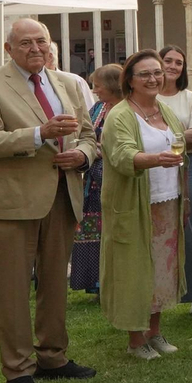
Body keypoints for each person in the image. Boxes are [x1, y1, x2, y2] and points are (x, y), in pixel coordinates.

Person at [0, 19, 100, 383]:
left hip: (62, 195)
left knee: (55, 283)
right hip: (11, 203)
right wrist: (41, 134)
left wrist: (82, 156)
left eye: (42, 41)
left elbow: (89, 134)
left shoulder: (64, 82)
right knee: (12, 290)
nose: (36, 49)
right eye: (26, 43)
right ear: (9, 49)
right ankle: (18, 371)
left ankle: (53, 357)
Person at [100, 50, 187, 360]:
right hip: (134, 205)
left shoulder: (165, 110)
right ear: (130, 80)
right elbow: (122, 156)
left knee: (163, 270)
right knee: (134, 271)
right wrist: (155, 160)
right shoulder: (120, 115)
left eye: (157, 73)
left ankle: (155, 332)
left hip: (167, 203)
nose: (153, 78)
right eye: (145, 74)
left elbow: (179, 147)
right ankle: (136, 340)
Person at [157, 45, 192, 317]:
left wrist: (162, 140)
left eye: (179, 62)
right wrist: (178, 138)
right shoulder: (148, 97)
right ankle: (158, 295)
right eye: (168, 60)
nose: (173, 66)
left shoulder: (190, 97)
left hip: (186, 167)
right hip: (152, 169)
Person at [69, 64, 122, 293]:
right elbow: (86, 135)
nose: (94, 90)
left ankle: (116, 282)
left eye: (98, 86)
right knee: (92, 231)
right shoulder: (98, 108)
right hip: (93, 182)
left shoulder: (129, 108)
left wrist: (105, 149)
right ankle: (95, 283)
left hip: (116, 178)